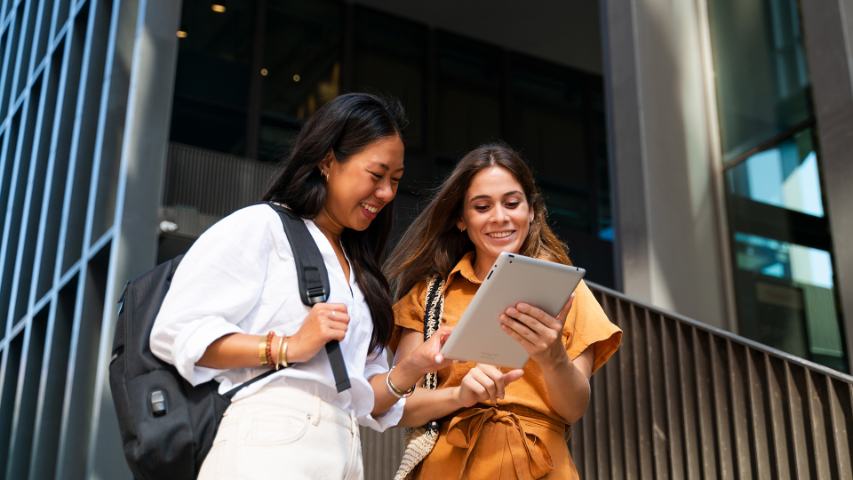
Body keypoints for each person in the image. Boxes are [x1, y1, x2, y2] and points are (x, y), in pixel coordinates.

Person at [150, 93, 447, 480]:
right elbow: (175, 332)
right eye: (377, 175)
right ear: (327, 161)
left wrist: (410, 367)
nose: (388, 193)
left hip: (344, 450)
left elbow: (365, 400)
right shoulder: (262, 226)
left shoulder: (360, 270)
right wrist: (287, 346)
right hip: (270, 440)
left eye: (395, 180)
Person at [386, 143, 622, 479]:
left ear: (531, 212)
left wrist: (552, 356)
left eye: (512, 203)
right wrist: (459, 395)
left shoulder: (567, 291)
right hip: (448, 465)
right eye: (482, 207)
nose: (500, 217)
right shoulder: (430, 295)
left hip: (541, 467)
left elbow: (573, 408)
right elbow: (400, 406)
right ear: (461, 220)